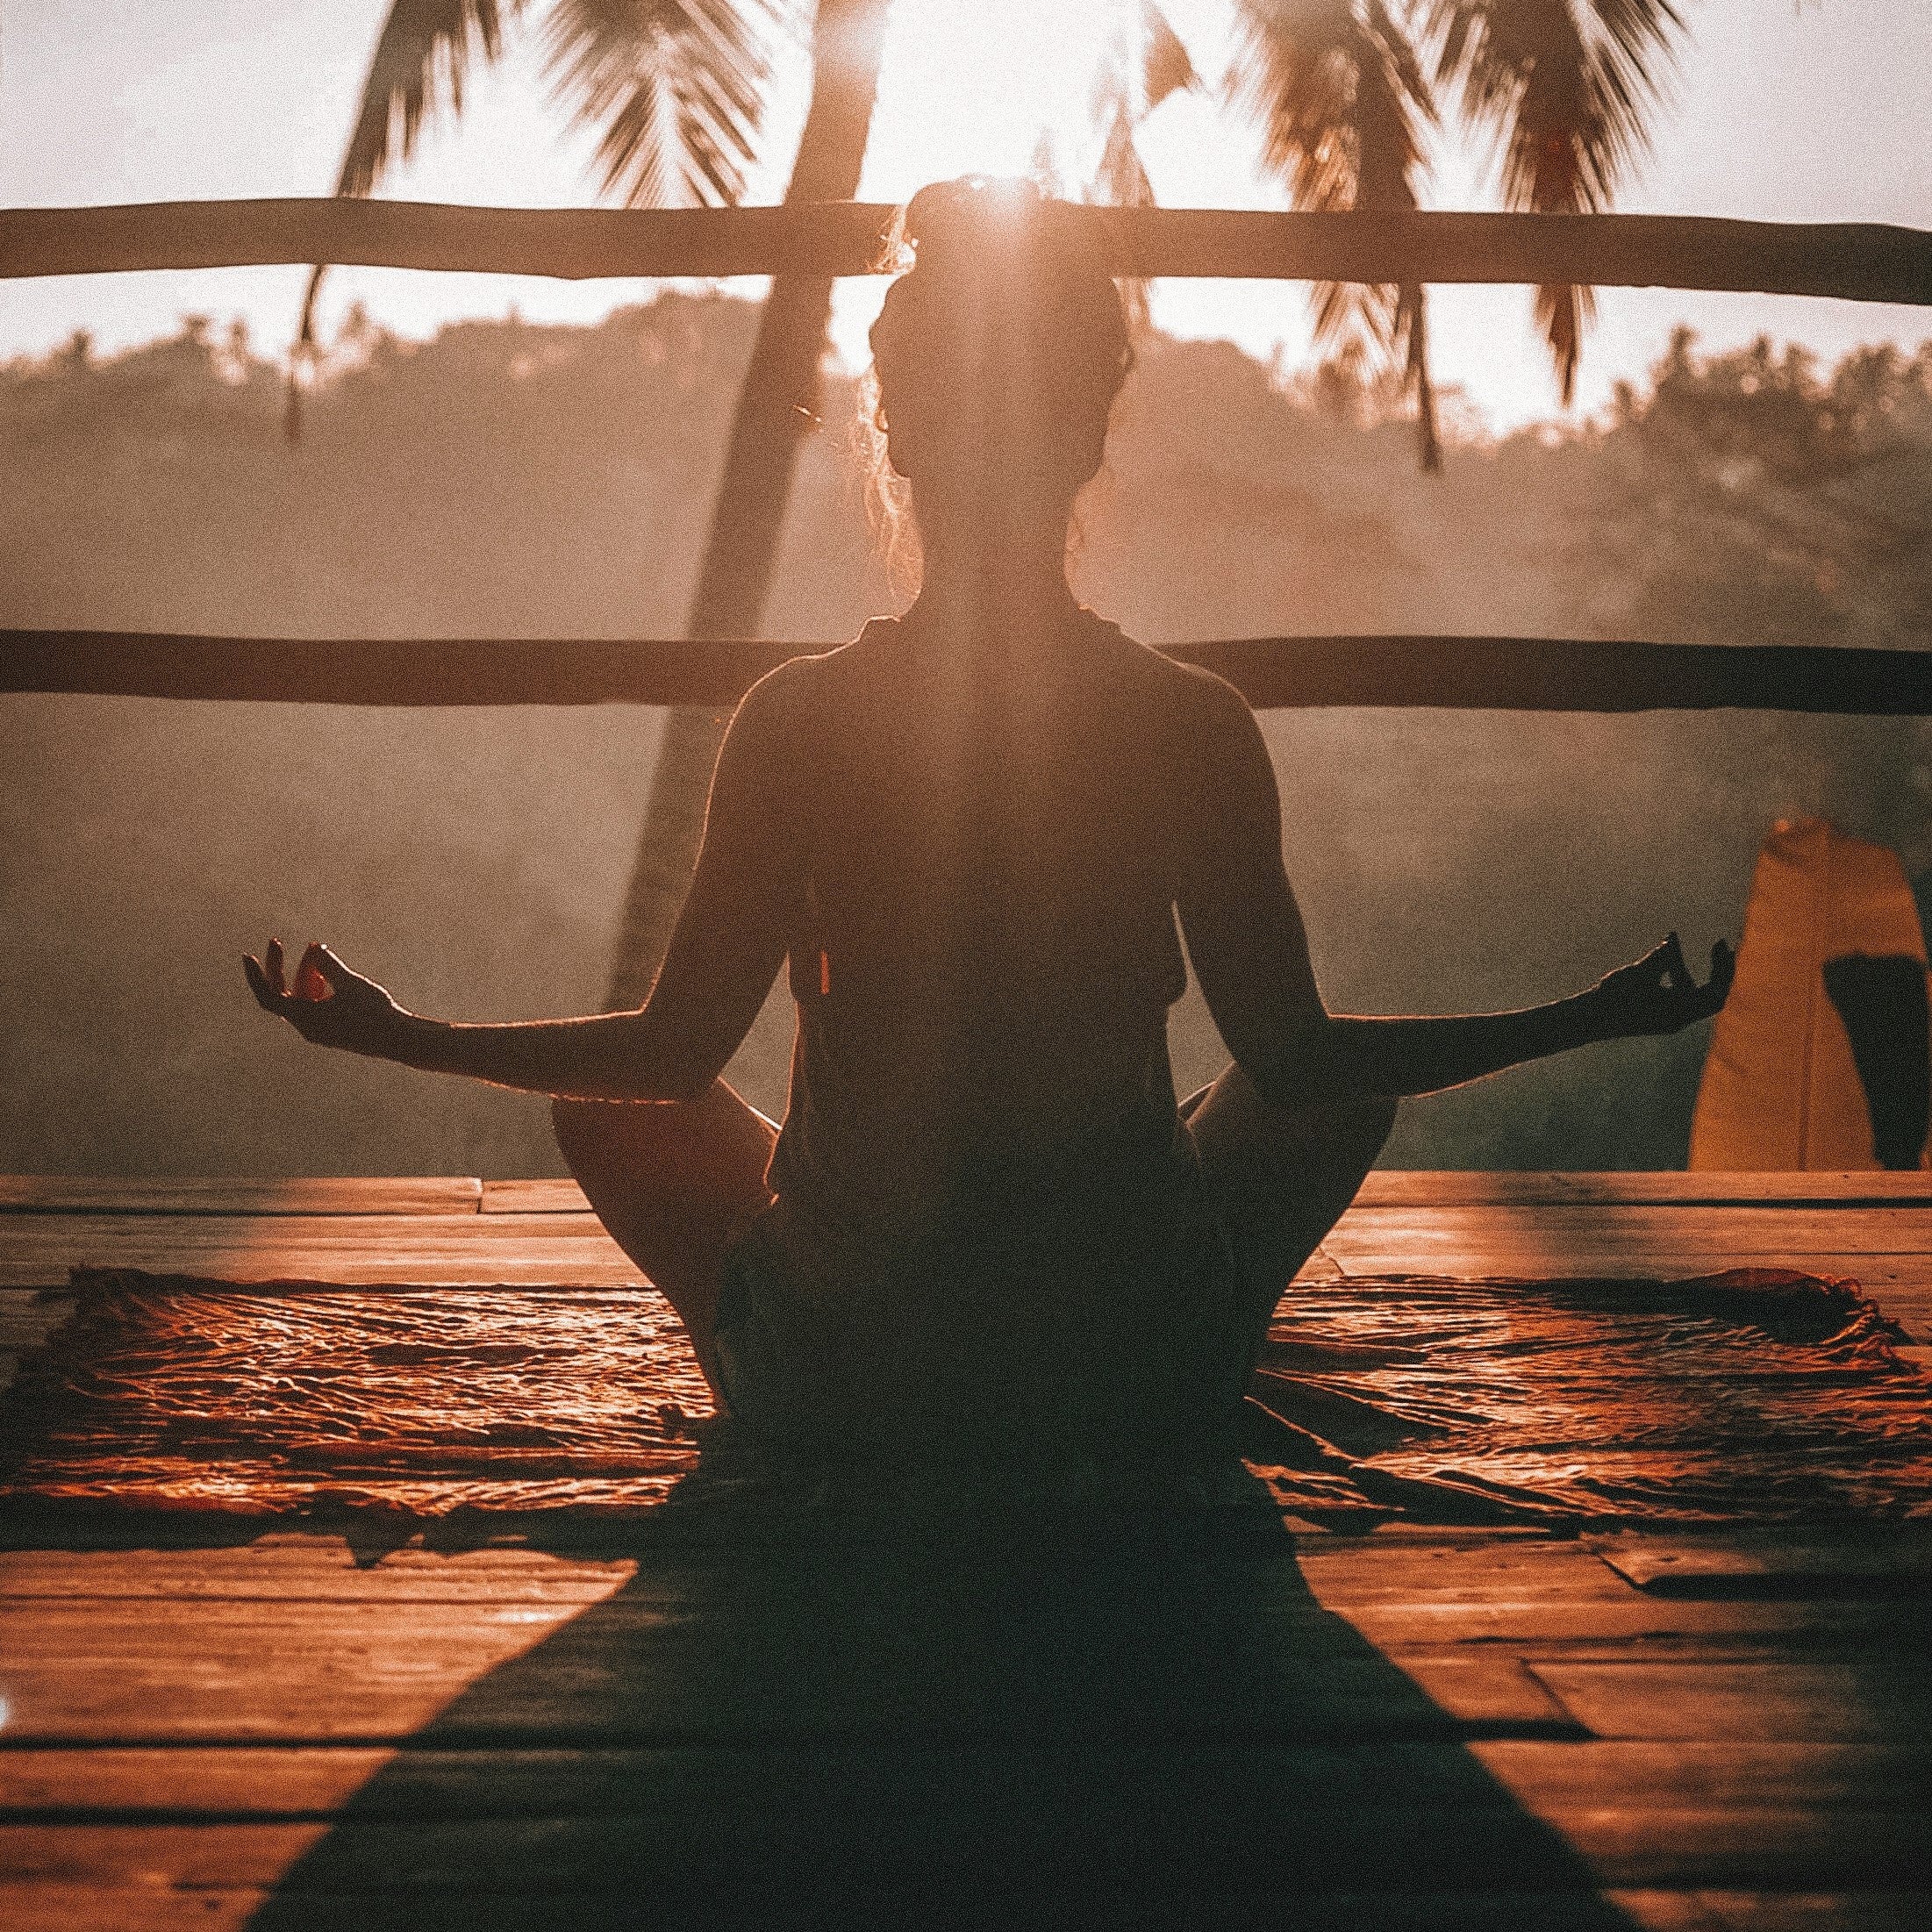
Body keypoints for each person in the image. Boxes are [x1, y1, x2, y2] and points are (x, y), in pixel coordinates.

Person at [247, 177, 1732, 1475]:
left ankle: (790, 1374)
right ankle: (1188, 1350)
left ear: (895, 437)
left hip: (854, 1383)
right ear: (1088, 439)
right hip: (1123, 1370)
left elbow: (665, 1057)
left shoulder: (798, 719)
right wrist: (1587, 1015)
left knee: (610, 1106)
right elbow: (1300, 1062)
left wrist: (398, 1031)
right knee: (1333, 1090)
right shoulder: (1187, 720)